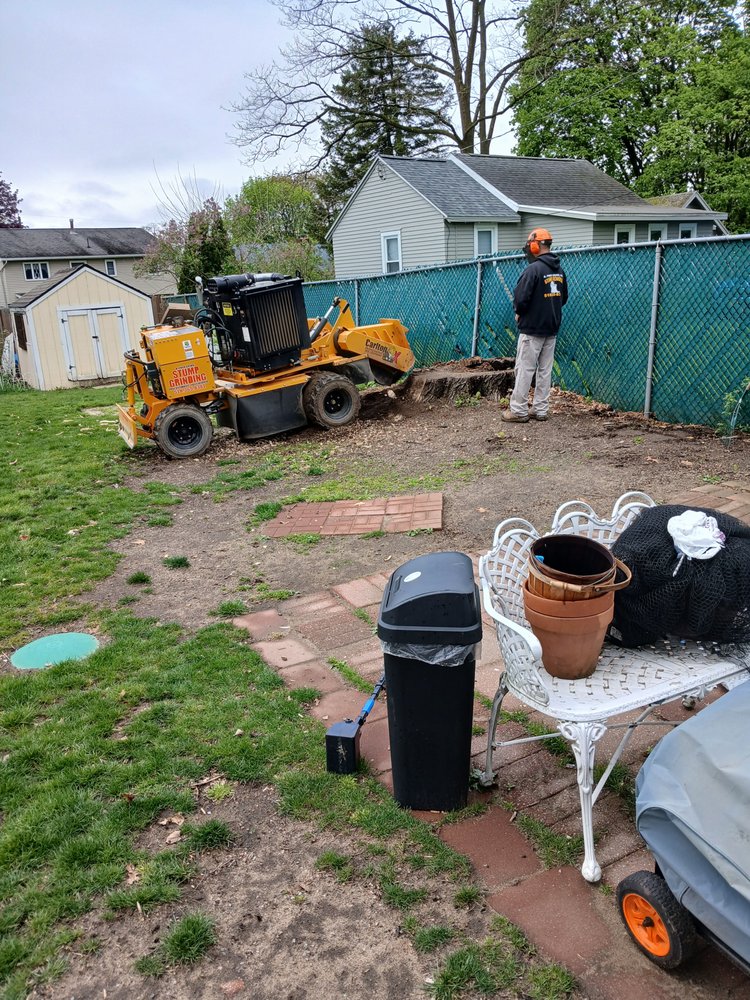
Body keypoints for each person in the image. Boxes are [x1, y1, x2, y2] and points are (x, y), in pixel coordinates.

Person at [502, 228, 568, 423]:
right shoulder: (559, 270)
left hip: (532, 329)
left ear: (535, 245)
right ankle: (540, 409)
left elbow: (521, 299)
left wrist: (519, 312)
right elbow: (563, 298)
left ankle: (518, 410)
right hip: (551, 328)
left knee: (524, 369)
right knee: (545, 370)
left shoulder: (533, 270)